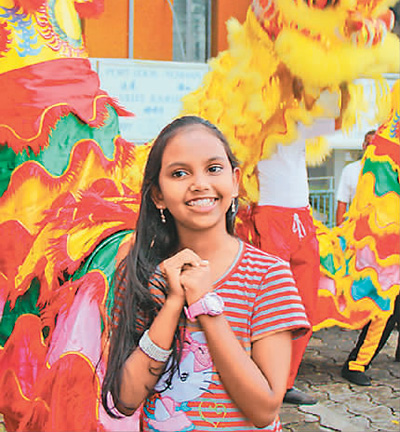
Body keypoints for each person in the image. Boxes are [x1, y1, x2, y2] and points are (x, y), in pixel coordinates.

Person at [101, 115, 310, 431]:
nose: (199, 183)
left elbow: (264, 409)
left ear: (235, 181)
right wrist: (172, 305)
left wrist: (205, 305)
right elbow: (125, 399)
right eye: (179, 173)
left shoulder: (269, 276)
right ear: (158, 194)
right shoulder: (141, 275)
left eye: (213, 169)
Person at [253, 87, 348, 405]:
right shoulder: (246, 123)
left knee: (304, 306)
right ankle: (262, 378)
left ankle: (285, 382)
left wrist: (343, 79)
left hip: (302, 219)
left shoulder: (297, 119)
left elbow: (338, 120)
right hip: (269, 217)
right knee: (272, 305)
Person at [335, 130, 376, 226]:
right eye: (369, 145)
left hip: (383, 230)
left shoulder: (391, 171)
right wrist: (339, 229)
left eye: (375, 145)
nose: (372, 148)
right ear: (363, 146)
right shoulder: (350, 170)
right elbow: (342, 202)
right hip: (356, 228)